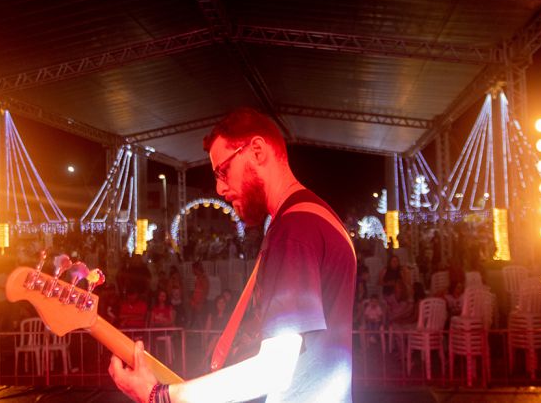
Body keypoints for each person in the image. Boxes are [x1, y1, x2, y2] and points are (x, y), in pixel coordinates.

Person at [108, 107, 357, 402]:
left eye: (223, 171)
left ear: (257, 151)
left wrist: (159, 396)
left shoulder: (295, 228)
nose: (219, 188)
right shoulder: (318, 217)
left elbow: (275, 369)